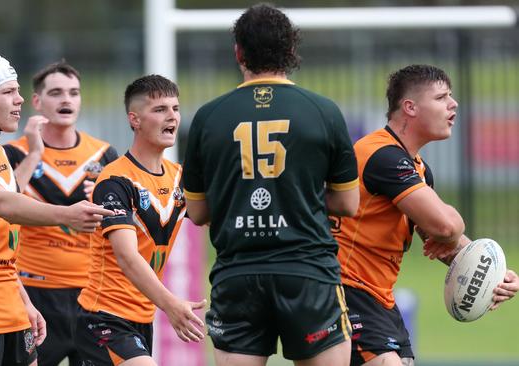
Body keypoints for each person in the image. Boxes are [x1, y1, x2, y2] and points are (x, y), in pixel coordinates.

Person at [182, 4, 360, 366]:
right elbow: (348, 203)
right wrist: (297, 194)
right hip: (307, 274)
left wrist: (240, 200)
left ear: (238, 52)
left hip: (237, 277)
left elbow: (198, 212)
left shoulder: (208, 117)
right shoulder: (323, 111)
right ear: (291, 51)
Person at [0, 53, 113, 366]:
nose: (20, 99)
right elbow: (4, 204)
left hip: (10, 299)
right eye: (8, 92)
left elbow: (3, 242)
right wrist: (68, 214)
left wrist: (24, 301)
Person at [333, 64, 519, 366]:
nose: (453, 103)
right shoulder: (383, 156)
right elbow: (445, 227)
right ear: (410, 107)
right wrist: (451, 227)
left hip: (377, 297)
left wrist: (492, 271)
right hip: (346, 290)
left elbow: (444, 241)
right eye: (442, 96)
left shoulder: (414, 165)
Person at [74, 74, 206, 366]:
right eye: (160, 110)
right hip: (104, 317)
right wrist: (171, 305)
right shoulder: (114, 180)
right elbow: (127, 256)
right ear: (134, 119)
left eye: (175, 108)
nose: (171, 116)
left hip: (141, 318)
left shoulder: (180, 177)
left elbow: (215, 219)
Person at [3, 60, 118, 366]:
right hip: (35, 294)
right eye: (56, 93)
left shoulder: (104, 154)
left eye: (73, 92)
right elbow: (2, 204)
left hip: (92, 293)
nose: (66, 99)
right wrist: (36, 152)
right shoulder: (13, 153)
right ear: (37, 101)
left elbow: (122, 222)